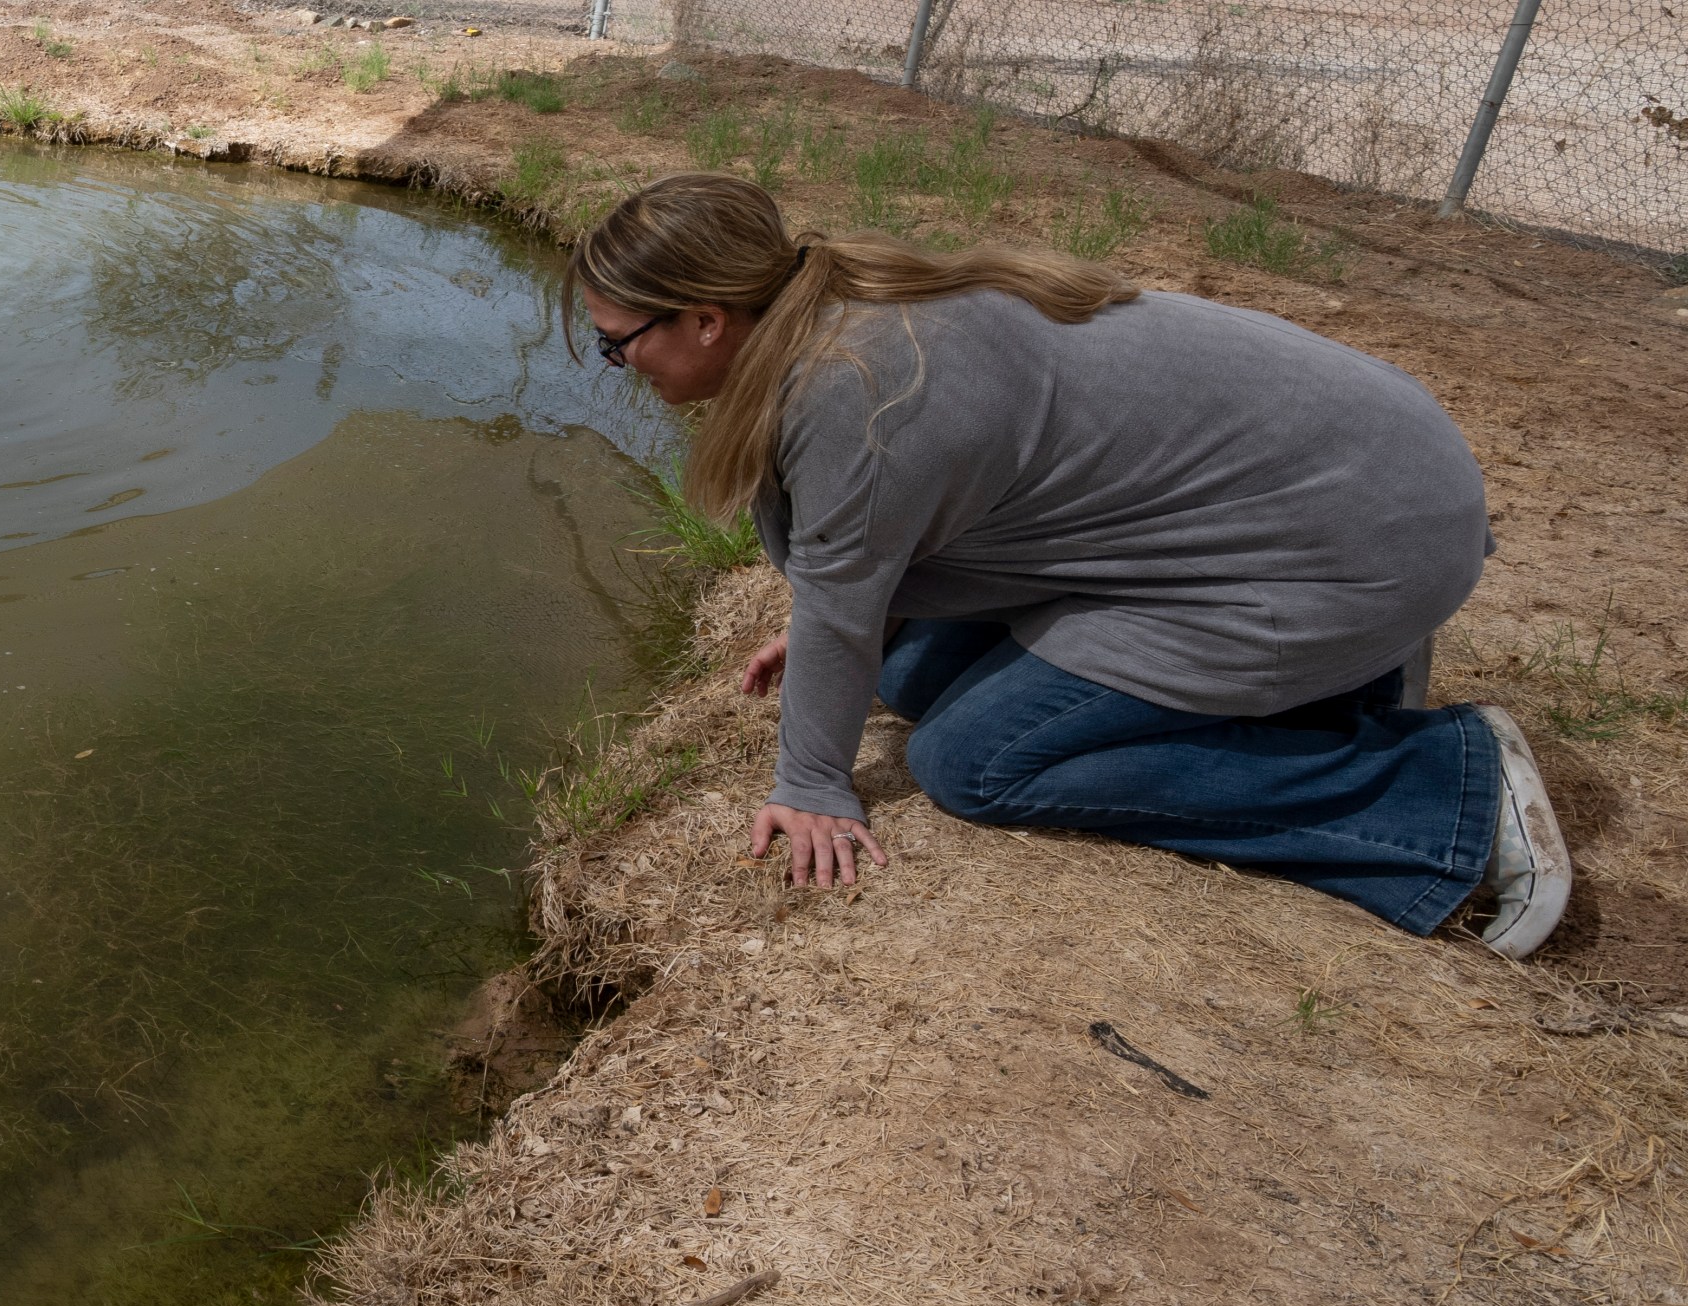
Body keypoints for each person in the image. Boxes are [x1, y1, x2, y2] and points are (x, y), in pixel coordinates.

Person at [566, 173, 1568, 959]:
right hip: (1331, 495)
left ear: (704, 319)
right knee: (908, 671)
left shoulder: (855, 392)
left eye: (617, 345)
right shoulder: (836, 304)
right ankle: (1339, 686)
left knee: (974, 764)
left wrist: (814, 783)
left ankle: (1445, 796)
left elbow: (846, 580)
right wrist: (848, 619)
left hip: (1346, 542)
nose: (618, 366)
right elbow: (865, 576)